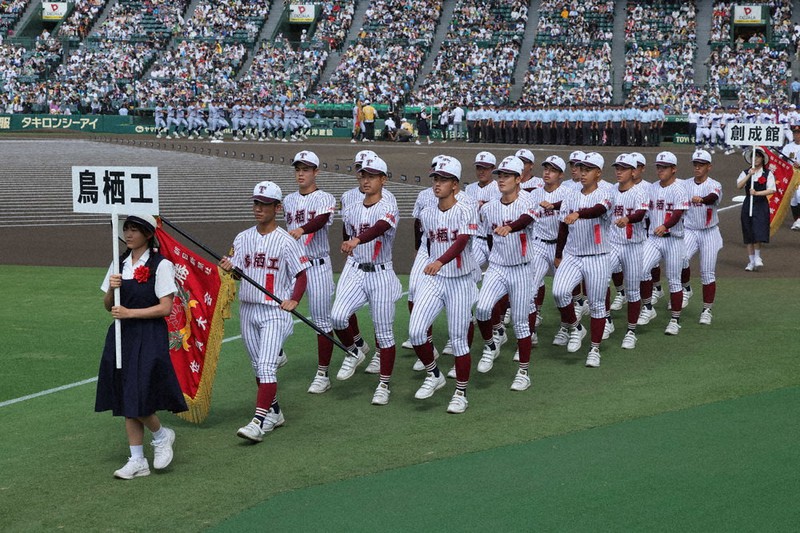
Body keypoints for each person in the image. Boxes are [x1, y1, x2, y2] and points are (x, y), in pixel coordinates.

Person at [96, 214, 186, 479]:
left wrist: (130, 313)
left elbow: (166, 307)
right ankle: (137, 459)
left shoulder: (161, 265)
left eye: (135, 229)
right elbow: (107, 306)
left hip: (148, 334)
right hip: (122, 335)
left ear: (148, 234)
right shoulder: (119, 262)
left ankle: (160, 436)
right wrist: (112, 291)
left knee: (138, 392)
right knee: (126, 393)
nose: (130, 234)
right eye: (127, 229)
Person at [219, 181, 309, 442]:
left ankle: (257, 422)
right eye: (256, 203)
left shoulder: (286, 241)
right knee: (258, 368)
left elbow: (301, 274)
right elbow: (237, 272)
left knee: (266, 367)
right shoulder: (242, 237)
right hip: (248, 308)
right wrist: (228, 268)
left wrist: (294, 299)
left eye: (265, 204)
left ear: (277, 208)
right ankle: (275, 412)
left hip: (274, 310)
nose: (258, 208)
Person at [408, 156, 479, 413]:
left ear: (455, 185)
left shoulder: (466, 209)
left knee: (459, 341)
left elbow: (461, 242)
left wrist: (439, 260)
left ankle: (461, 392)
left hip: (459, 281)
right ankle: (434, 374)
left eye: (444, 180)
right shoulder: (427, 213)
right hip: (435, 281)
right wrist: (429, 263)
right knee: (416, 332)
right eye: (436, 179)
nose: (438, 184)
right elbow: (427, 243)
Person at [331, 155, 402, 405]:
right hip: (356, 270)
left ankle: (384, 384)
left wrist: (357, 240)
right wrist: (349, 245)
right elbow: (347, 233)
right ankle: (353, 352)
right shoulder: (351, 208)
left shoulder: (388, 206)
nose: (366, 180)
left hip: (381, 273)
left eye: (372, 176)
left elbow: (380, 227)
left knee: (384, 334)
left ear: (383, 179)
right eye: (363, 175)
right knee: (338, 317)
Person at [475, 156, 537, 387]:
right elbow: (488, 237)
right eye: (499, 175)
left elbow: (526, 218)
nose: (501, 179)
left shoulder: (528, 199)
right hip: (498, 268)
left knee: (521, 322)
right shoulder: (490, 207)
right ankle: (491, 344)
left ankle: (523, 372)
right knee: (482, 309)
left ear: (518, 178)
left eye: (507, 175)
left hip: (521, 269)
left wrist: (510, 227)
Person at [282, 151, 338, 394]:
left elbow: (322, 220)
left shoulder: (325, 197)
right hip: (293, 266)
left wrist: (302, 229)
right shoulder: (288, 200)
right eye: (298, 169)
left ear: (316, 172)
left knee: (322, 321)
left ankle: (323, 374)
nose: (301, 173)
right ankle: (277, 353)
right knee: (277, 309)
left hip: (317, 265)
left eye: (306, 169)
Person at [552, 152, 613, 367]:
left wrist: (578, 213)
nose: (583, 173)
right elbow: (562, 226)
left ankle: (594, 349)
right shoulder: (570, 194)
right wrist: (558, 254)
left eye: (588, 170)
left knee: (597, 306)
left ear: (599, 173)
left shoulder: (607, 192)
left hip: (598, 256)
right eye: (582, 169)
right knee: (559, 293)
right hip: (573, 255)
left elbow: (599, 209)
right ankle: (576, 327)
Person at [639, 151, 690, 335]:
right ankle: (648, 308)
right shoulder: (651, 188)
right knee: (641, 270)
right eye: (658, 167)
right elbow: (644, 213)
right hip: (653, 239)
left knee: (674, 281)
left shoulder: (680, 189)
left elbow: (677, 214)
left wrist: (665, 225)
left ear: (673, 169)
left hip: (674, 241)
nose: (660, 170)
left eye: (664, 167)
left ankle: (675, 320)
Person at [607, 154, 649, 349]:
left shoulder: (640, 192)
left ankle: (631, 331)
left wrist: (628, 219)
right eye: (617, 168)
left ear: (633, 172)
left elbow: (640, 213)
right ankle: (606, 320)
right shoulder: (610, 190)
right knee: (600, 279)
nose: (619, 171)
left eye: (623, 168)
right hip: (613, 244)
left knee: (633, 290)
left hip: (634, 246)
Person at [681, 150, 723, 324]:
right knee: (680, 259)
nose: (697, 167)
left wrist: (702, 199)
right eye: (695, 164)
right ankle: (686, 288)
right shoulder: (684, 184)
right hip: (689, 230)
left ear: (709, 167)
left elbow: (713, 197)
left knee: (707, 272)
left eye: (701, 165)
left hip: (709, 233)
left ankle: (707, 310)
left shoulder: (715, 185)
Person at [737, 147, 776, 271]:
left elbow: (772, 189)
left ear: (762, 158)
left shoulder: (767, 173)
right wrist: (749, 175)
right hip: (748, 203)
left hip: (760, 204)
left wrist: (757, 193)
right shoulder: (745, 172)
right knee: (748, 232)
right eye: (754, 156)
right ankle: (751, 261)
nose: (756, 159)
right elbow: (739, 185)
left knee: (758, 230)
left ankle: (758, 257)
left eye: (758, 156)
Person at [779, 125, 800, 230]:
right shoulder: (788, 147)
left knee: (799, 195)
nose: (797, 135)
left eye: (799, 133)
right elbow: (782, 159)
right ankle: (797, 221)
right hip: (791, 175)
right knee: (793, 200)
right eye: (795, 133)